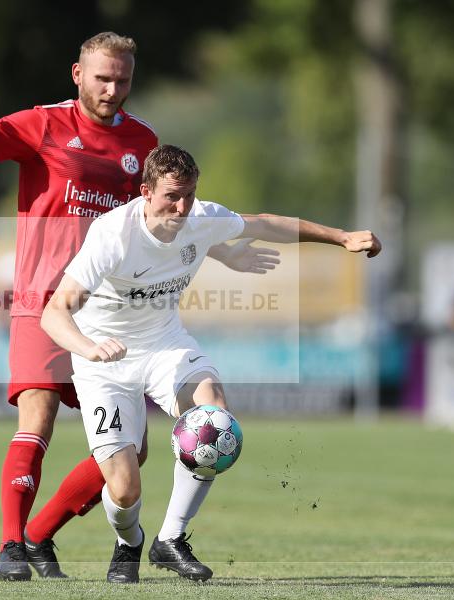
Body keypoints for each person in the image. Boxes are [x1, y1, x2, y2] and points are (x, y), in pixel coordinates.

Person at [0, 32, 280, 580]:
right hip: (47, 297)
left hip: (115, 310)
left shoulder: (143, 139)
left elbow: (165, 215)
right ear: (77, 74)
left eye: (123, 79)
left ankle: (40, 535)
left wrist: (222, 250)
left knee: (133, 451)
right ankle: (12, 546)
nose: (112, 89)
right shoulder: (42, 124)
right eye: (102, 77)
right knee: (36, 420)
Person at [41, 144, 381, 583]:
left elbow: (264, 223)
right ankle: (129, 544)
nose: (182, 207)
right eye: (171, 197)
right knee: (124, 489)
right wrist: (87, 347)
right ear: (145, 191)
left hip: (164, 344)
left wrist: (342, 237)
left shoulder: (200, 216)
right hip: (104, 360)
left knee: (213, 417)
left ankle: (171, 539)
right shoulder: (113, 235)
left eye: (189, 195)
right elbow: (54, 311)